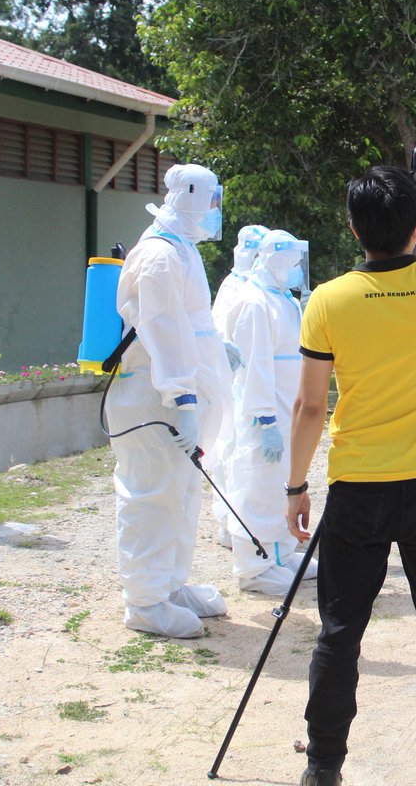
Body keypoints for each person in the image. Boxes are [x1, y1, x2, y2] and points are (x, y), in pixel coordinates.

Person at [284, 131, 416, 786]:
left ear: (354, 227)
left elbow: (311, 409)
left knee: (340, 634)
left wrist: (296, 486)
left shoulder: (327, 300)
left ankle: (323, 769)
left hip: (357, 490)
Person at [106, 163, 231, 639]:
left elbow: (191, 325)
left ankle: (169, 585)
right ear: (196, 196)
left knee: (181, 492)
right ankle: (145, 601)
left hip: (176, 401)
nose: (216, 210)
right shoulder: (160, 255)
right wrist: (182, 398)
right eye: (213, 200)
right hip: (154, 400)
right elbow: (160, 329)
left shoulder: (182, 250)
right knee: (151, 495)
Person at [226, 228, 318, 594]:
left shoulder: (283, 299)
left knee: (282, 485)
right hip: (264, 416)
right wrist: (264, 419)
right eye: (292, 260)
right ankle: (254, 567)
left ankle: (280, 552)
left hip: (286, 411)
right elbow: (255, 365)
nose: (297, 267)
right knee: (258, 487)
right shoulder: (254, 302)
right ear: (275, 258)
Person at [211, 224, 269, 548]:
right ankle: (233, 524)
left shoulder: (254, 288)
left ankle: (246, 523)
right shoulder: (235, 287)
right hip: (235, 385)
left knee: (247, 457)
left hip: (248, 385)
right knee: (231, 453)